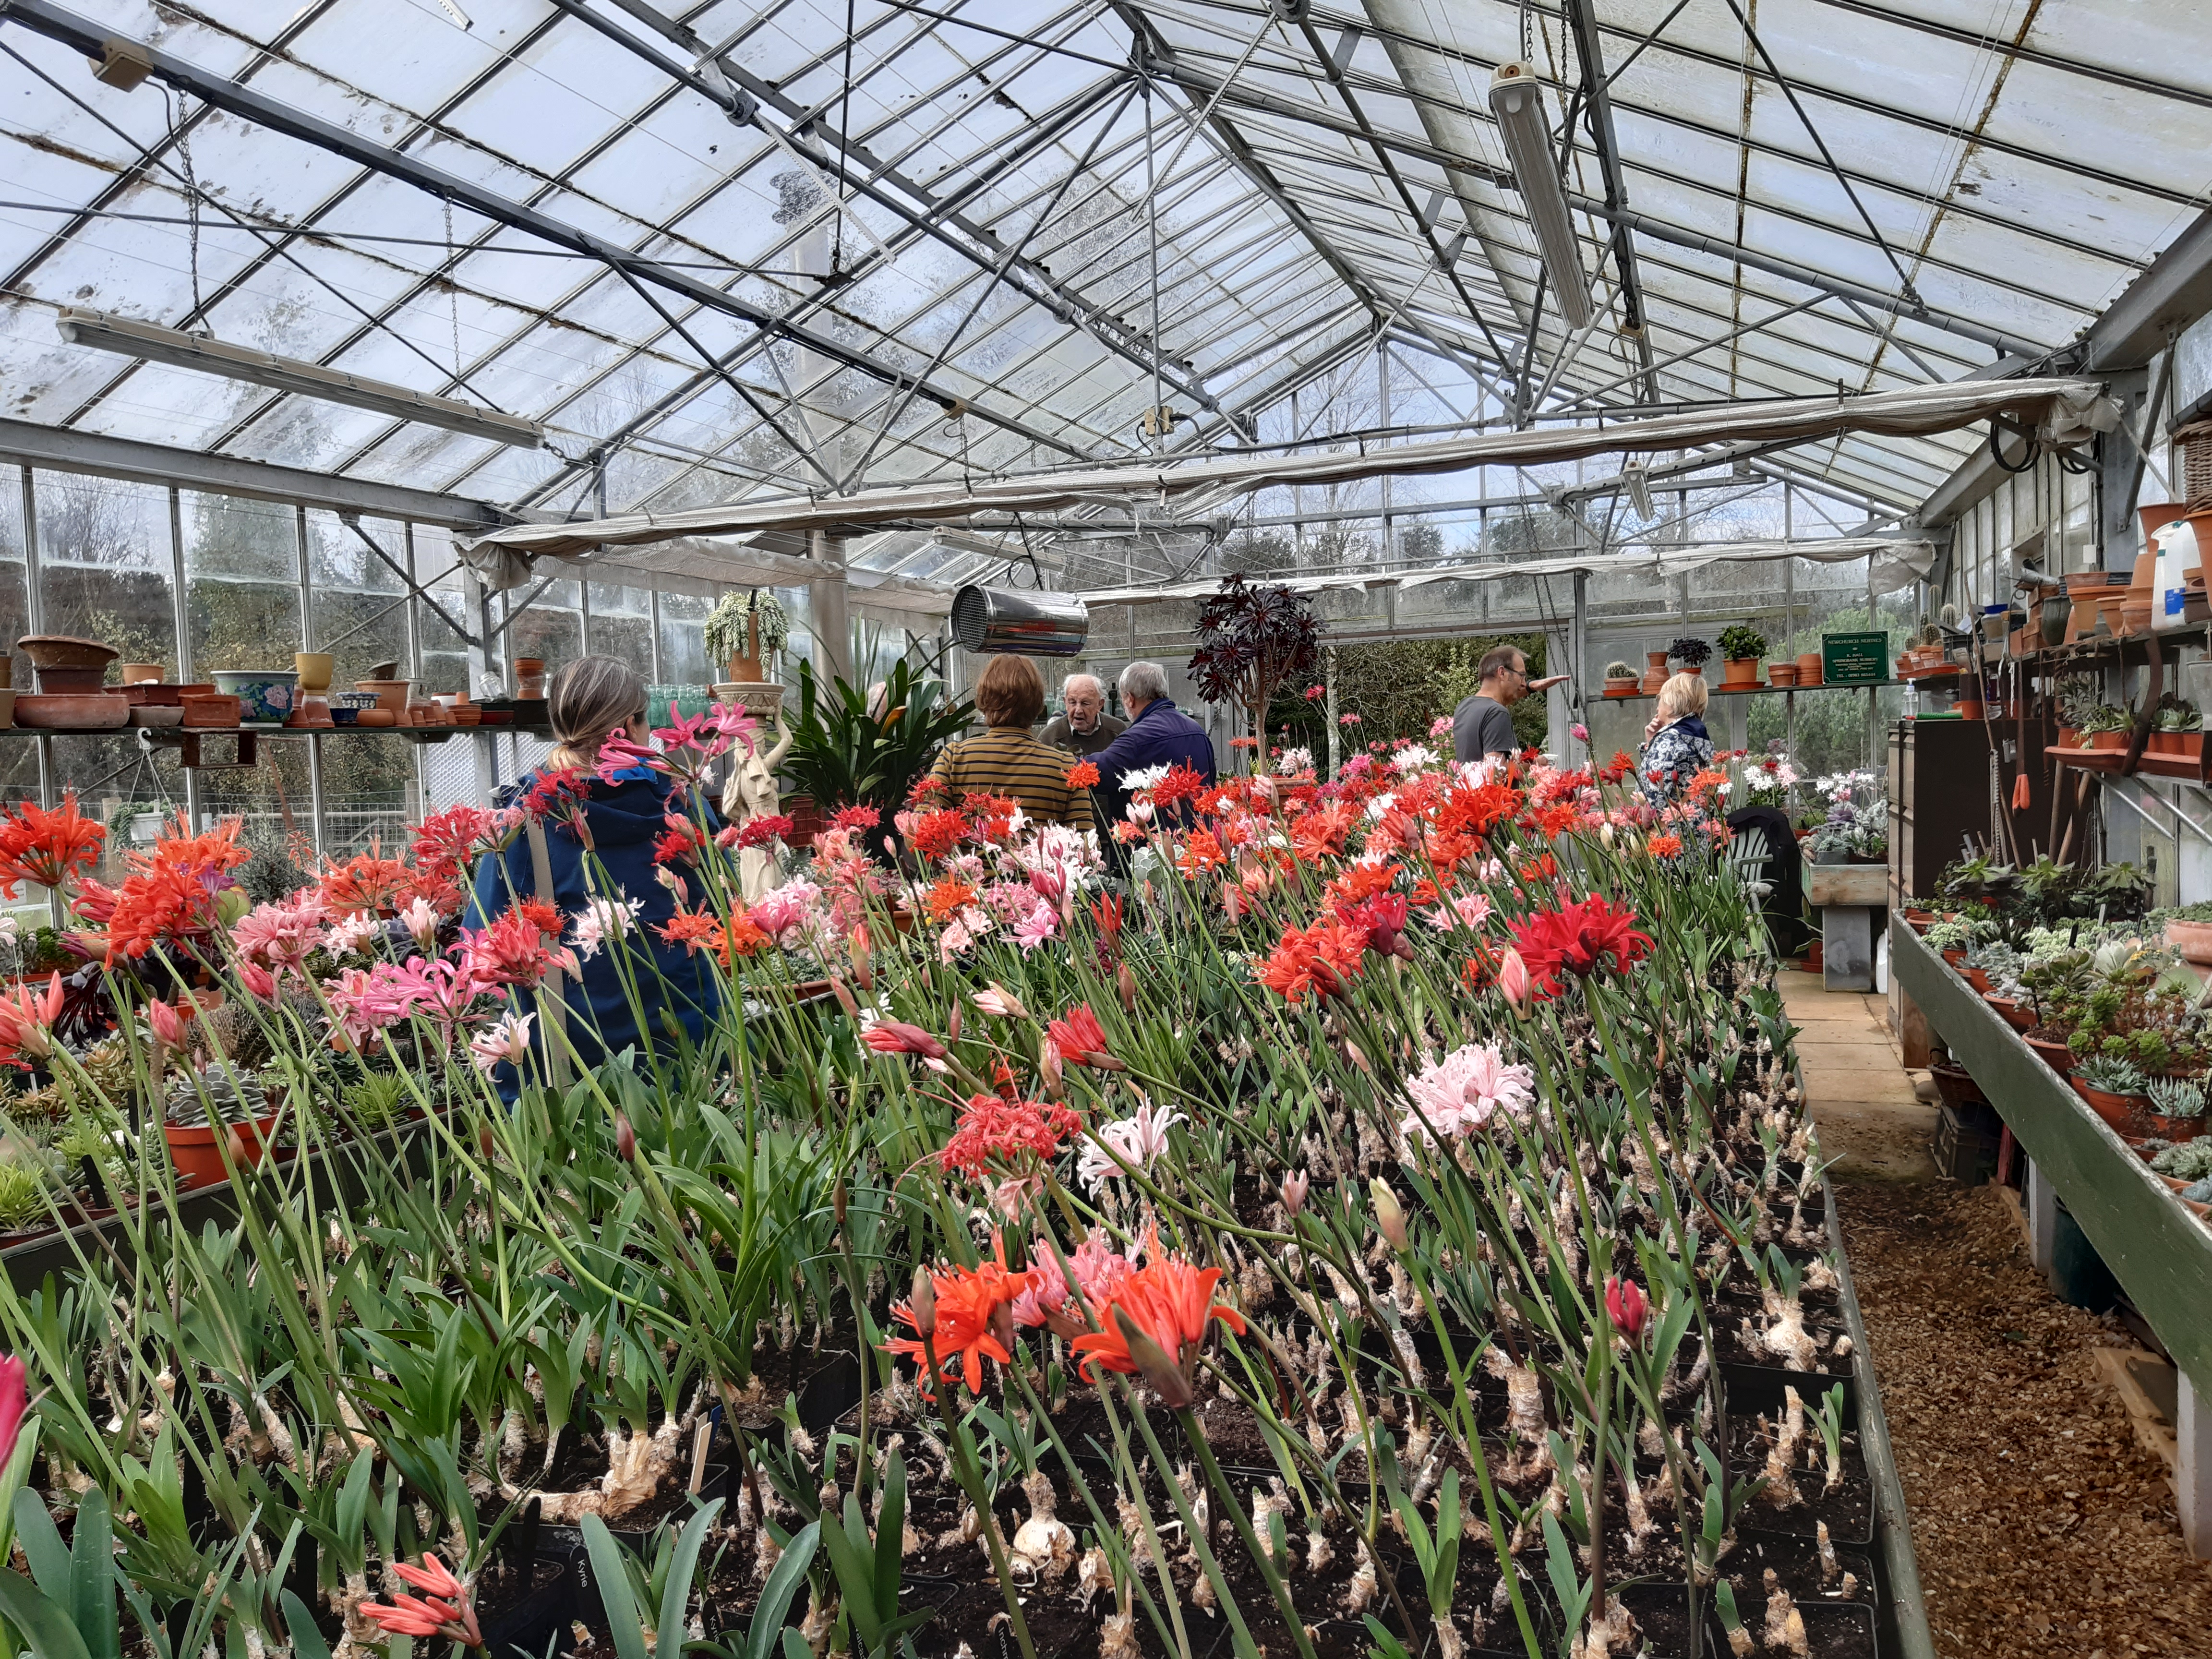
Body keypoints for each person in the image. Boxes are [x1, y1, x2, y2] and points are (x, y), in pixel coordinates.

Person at [469, 657, 723, 1094]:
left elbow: (483, 942)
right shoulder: (682, 803)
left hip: (572, 1063)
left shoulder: (527, 818)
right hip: (690, 1044)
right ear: (631, 726)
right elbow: (722, 909)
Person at [930, 654, 1094, 830]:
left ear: (984, 699)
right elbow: (1085, 841)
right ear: (1039, 704)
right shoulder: (1066, 767)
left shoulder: (954, 758)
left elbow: (924, 831)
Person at [1089, 661, 1217, 832]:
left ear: (1130, 700)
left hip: (1160, 841)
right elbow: (1211, 781)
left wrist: (1058, 760)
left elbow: (1097, 771)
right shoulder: (1197, 730)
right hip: (1200, 836)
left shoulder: (1138, 737)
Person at [1451, 645, 1567, 764]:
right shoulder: (1497, 713)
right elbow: (1495, 768)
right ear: (1502, 673)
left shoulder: (1464, 706)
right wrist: (1534, 763)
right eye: (1521, 675)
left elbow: (1504, 698)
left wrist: (1531, 687)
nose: (1523, 683)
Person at [1638, 672, 1715, 805]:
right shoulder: (1695, 734)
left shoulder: (1670, 742)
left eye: (1660, 698)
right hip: (1695, 814)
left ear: (1672, 702)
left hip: (1673, 818)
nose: (1657, 707)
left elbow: (1656, 795)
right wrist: (1652, 743)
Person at [1040, 673, 1127, 758]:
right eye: (1072, 702)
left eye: (1085, 703)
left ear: (1100, 705)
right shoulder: (1049, 737)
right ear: (1065, 703)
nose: (1078, 710)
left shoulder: (1117, 730)